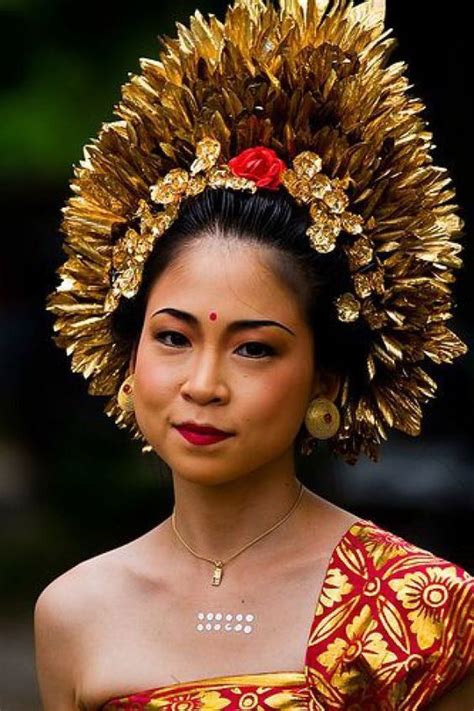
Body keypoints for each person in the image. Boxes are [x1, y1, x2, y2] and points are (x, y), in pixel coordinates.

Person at [34, 0, 473, 708]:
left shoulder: (425, 613)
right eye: (173, 337)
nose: (203, 384)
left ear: (325, 376)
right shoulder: (75, 614)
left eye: (255, 349)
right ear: (127, 348)